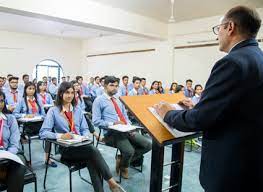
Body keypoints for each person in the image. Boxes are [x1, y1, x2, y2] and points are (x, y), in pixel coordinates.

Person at [154, 6, 262, 192]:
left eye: (217, 29)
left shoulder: (231, 62)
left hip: (231, 166)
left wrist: (168, 113)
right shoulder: (257, 57)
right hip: (252, 160)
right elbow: (238, 107)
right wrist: (196, 105)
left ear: (230, 27)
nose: (216, 35)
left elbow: (201, 119)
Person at [39, 82, 125, 192]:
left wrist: (84, 136)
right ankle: (111, 182)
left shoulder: (77, 110)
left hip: (82, 145)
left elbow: (85, 129)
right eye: (66, 93)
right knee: (92, 151)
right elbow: (43, 133)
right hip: (67, 149)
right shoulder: (53, 111)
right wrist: (61, 135)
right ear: (60, 94)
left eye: (72, 93)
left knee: (92, 158)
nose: (70, 95)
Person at [92, 76, 152, 179]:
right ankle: (124, 166)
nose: (114, 88)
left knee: (148, 145)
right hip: (111, 133)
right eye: (111, 85)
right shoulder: (99, 100)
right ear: (105, 86)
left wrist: (130, 126)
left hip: (126, 130)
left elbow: (124, 116)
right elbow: (95, 121)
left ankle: (122, 159)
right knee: (129, 151)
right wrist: (112, 124)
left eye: (116, 86)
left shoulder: (118, 99)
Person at [0, 90, 26, 192]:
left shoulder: (10, 119)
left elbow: (15, 143)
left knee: (20, 166)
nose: (0, 104)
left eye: (1, 101)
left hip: (7, 155)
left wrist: (7, 156)